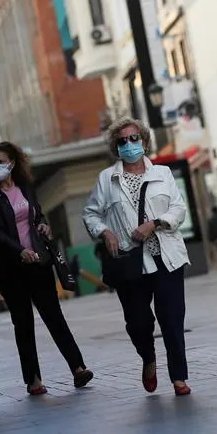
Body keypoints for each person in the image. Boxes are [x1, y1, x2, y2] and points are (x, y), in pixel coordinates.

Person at [83, 117, 192, 396]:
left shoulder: (163, 174)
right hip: (130, 261)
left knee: (171, 318)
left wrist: (154, 223)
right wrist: (106, 232)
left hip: (166, 256)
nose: (130, 145)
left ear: (144, 141)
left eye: (134, 139)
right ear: (115, 147)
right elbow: (91, 214)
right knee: (138, 322)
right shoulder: (107, 179)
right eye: (122, 141)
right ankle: (148, 357)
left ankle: (179, 377)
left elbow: (178, 210)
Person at [0, 142, 93, 395]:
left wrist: (43, 225)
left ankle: (78, 368)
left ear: (13, 163)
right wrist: (19, 251)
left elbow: (37, 214)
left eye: (1, 161)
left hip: (38, 262)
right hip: (10, 269)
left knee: (54, 317)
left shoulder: (26, 188)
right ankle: (33, 380)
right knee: (23, 323)